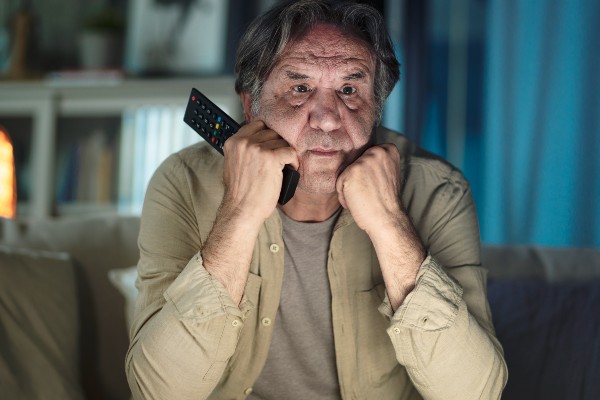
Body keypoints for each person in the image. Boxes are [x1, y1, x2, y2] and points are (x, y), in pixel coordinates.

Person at [125, 0, 508, 399]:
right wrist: (239, 213)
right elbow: (158, 391)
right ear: (251, 105)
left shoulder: (438, 190)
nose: (327, 118)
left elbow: (474, 393)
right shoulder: (182, 181)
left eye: (349, 89)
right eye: (300, 88)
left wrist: (390, 224)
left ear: (376, 108)